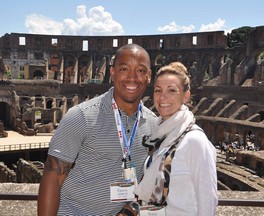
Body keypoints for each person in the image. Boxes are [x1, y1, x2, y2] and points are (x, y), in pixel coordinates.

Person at [37, 44, 157, 215]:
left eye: (141, 71)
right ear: (113, 72)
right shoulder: (81, 116)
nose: (132, 77)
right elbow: (53, 174)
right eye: (124, 69)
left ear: (149, 76)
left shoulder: (153, 123)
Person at [134, 62, 218, 215]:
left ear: (185, 96)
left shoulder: (194, 140)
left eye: (171, 90)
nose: (162, 97)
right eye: (158, 90)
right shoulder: (160, 135)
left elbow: (208, 199)